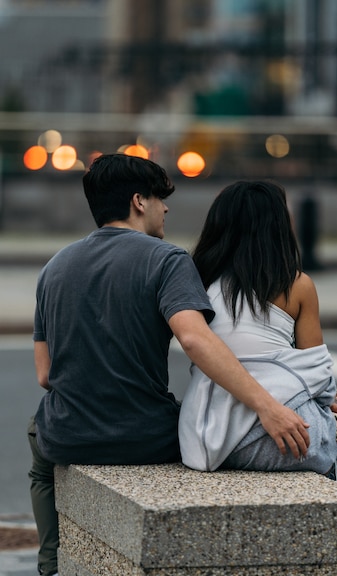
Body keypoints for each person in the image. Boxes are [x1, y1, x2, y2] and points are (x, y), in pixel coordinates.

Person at [28, 155, 310, 576]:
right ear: (139, 202)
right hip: (145, 437)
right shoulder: (166, 259)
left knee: (38, 454)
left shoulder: (54, 268)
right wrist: (267, 406)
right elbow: (195, 340)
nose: (166, 209)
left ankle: (51, 564)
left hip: (67, 437)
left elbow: (45, 375)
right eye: (162, 199)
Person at [178, 180, 337, 494]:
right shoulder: (295, 285)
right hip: (284, 438)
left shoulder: (194, 280)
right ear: (277, 226)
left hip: (208, 438)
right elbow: (319, 373)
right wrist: (330, 403)